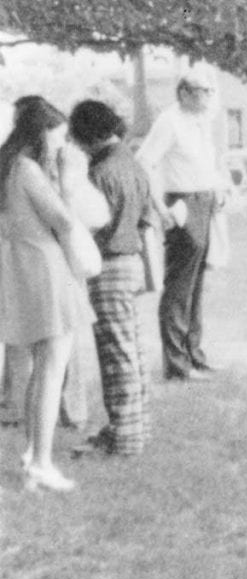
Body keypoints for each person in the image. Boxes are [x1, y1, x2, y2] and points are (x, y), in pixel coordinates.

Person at [0, 96, 95, 491]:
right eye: (57, 140)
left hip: (26, 266)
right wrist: (68, 183)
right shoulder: (27, 169)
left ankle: (32, 453)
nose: (61, 147)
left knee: (42, 368)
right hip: (46, 269)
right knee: (51, 368)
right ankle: (40, 462)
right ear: (41, 134)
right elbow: (63, 219)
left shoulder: (9, 166)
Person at [68, 100, 152, 456]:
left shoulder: (99, 172)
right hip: (131, 261)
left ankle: (124, 440)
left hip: (108, 264)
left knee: (115, 355)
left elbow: (91, 225)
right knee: (132, 351)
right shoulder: (133, 163)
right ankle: (134, 427)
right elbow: (146, 218)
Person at [136, 67, 228, 381]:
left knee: (196, 285)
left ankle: (194, 355)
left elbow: (208, 164)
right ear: (184, 92)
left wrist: (219, 190)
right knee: (179, 287)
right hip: (183, 203)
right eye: (201, 91)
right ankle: (177, 365)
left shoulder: (202, 121)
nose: (207, 97)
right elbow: (144, 162)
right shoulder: (169, 121)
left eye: (209, 91)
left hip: (205, 202)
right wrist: (160, 207)